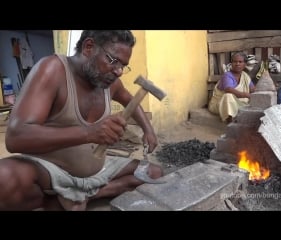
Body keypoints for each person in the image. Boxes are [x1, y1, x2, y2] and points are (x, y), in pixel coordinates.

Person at [0, 30, 163, 211]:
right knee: (3, 178)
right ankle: (65, 197)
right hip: (52, 172)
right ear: (89, 47)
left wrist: (148, 129)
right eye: (113, 60)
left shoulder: (109, 82)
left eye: (123, 65)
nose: (119, 71)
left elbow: (129, 100)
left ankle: (79, 196)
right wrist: (89, 133)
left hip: (97, 171)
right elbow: (16, 137)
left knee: (153, 173)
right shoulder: (53, 69)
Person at [208, 51, 255, 123]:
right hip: (221, 104)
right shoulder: (227, 75)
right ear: (231, 64)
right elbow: (228, 89)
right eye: (234, 62)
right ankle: (230, 123)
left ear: (244, 64)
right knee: (228, 96)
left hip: (238, 103)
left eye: (240, 62)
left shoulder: (245, 76)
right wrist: (245, 95)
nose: (237, 64)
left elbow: (252, 90)